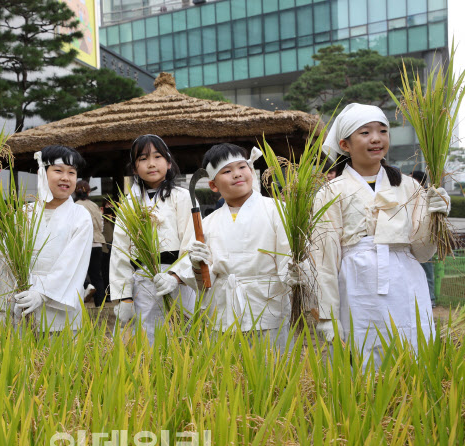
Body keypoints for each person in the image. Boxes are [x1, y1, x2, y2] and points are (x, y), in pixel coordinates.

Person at [313, 103, 450, 367]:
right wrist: (327, 315)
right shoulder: (330, 192)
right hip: (356, 282)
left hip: (405, 282)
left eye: (382, 130)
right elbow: (324, 258)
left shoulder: (409, 186)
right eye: (365, 132)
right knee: (362, 354)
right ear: (345, 144)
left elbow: (422, 251)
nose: (376, 138)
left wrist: (436, 216)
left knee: (410, 348)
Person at [171, 144, 299, 350]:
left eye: (242, 167)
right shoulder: (208, 223)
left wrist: (296, 273)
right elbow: (205, 282)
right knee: (230, 374)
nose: (237, 174)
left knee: (274, 370)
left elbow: (289, 258)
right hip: (223, 310)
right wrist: (197, 265)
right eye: (227, 171)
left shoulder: (277, 211)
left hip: (267, 305)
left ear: (251, 171)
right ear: (213, 185)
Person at [109, 134, 196, 344]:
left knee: (181, 339)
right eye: (143, 158)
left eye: (157, 156)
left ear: (168, 162)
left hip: (176, 283)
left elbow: (192, 241)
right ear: (134, 167)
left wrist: (175, 276)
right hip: (142, 283)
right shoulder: (130, 203)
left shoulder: (181, 196)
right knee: (144, 342)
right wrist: (124, 296)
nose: (151, 164)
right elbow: (120, 250)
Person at [11, 145, 94, 335]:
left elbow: (71, 263)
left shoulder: (80, 215)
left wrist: (42, 293)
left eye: (71, 172)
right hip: (25, 298)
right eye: (58, 170)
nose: (66, 177)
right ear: (42, 173)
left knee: (61, 360)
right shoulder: (25, 213)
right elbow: (9, 257)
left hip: (62, 302)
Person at [74, 180, 106, 307]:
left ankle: (87, 287)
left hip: (83, 243)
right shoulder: (94, 205)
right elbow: (102, 225)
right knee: (96, 275)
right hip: (98, 243)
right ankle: (100, 304)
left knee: (77, 272)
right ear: (88, 192)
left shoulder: (75, 206)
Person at [410, 170, 437, 307]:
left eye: (411, 179)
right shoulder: (410, 196)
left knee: (427, 269)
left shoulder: (428, 196)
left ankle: (430, 298)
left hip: (424, 240)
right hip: (412, 241)